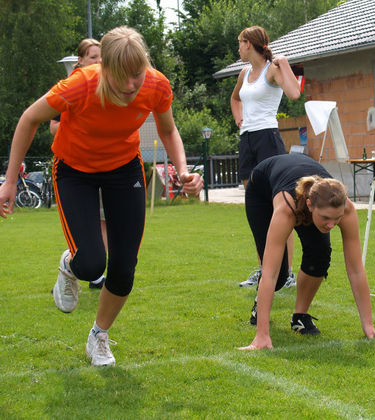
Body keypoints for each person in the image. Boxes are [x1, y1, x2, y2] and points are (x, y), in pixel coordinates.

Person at [0, 26, 203, 365]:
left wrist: (182, 171)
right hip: (74, 170)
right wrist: (9, 182)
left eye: (136, 76)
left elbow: (168, 129)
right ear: (103, 67)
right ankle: (69, 264)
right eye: (121, 77)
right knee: (91, 262)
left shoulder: (156, 84)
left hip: (123, 169)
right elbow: (28, 119)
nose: (129, 86)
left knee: (124, 268)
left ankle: (99, 336)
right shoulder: (78, 86)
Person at [239, 153, 375, 350]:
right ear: (310, 205)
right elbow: (269, 273)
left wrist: (369, 326)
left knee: (320, 255)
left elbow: (356, 270)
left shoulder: (346, 210)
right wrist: (262, 336)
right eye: (325, 218)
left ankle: (300, 317)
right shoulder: (287, 209)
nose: (331, 225)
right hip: (261, 191)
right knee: (278, 273)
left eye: (336, 218)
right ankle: (259, 308)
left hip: (302, 191)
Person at [230, 26, 301, 289]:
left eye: (240, 43)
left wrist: (283, 63)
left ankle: (288, 273)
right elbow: (235, 98)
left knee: (281, 208)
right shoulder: (244, 72)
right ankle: (264, 270)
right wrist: (239, 118)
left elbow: (294, 93)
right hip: (248, 141)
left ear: (249, 44)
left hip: (268, 139)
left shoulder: (273, 68)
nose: (238, 48)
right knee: (256, 210)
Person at [50, 38, 106, 289]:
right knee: (89, 222)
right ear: (81, 60)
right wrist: (80, 129)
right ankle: (80, 264)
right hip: (76, 168)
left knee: (105, 221)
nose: (99, 62)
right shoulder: (70, 87)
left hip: (108, 166)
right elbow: (53, 125)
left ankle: (98, 272)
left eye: (102, 56)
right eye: (93, 57)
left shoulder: (110, 85)